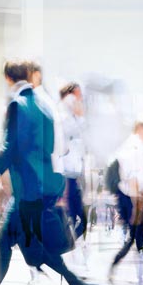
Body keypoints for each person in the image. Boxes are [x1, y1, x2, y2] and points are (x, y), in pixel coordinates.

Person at [0, 59, 96, 285]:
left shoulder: (18, 105)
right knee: (8, 247)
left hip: (28, 194)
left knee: (44, 257)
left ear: (8, 78)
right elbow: (57, 150)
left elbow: (8, 150)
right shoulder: (45, 105)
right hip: (40, 191)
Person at [108, 114, 143, 285]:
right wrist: (137, 203)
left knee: (139, 232)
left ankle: (137, 272)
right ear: (141, 128)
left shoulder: (136, 144)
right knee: (134, 235)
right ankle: (120, 269)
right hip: (130, 197)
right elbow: (132, 177)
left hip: (133, 196)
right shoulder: (134, 145)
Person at [54, 82, 88, 240]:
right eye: (77, 95)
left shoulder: (71, 116)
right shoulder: (62, 115)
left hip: (74, 173)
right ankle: (63, 243)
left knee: (78, 217)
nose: (79, 99)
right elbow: (68, 136)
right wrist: (80, 117)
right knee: (71, 216)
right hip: (64, 173)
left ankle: (68, 243)